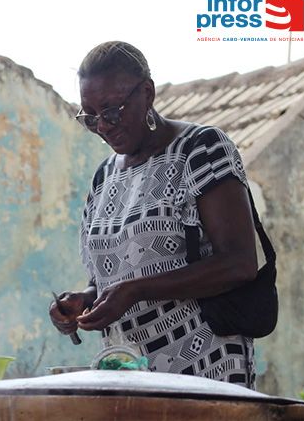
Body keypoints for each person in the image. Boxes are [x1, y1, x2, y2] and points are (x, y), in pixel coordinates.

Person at [49, 41, 258, 388]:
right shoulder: (104, 178)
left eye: (111, 112)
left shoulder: (200, 150)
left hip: (204, 373)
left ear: (147, 93)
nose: (103, 126)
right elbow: (110, 278)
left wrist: (135, 291)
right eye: (90, 117)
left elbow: (240, 263)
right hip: (130, 379)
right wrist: (85, 300)